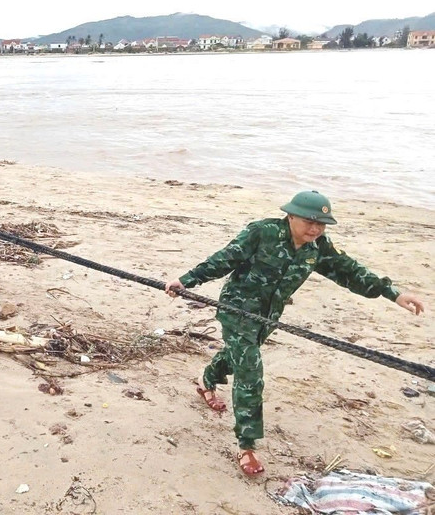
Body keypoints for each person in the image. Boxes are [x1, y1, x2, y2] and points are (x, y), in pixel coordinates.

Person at [164, 190, 427, 477]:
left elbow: (350, 271)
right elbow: (224, 259)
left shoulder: (318, 247)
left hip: (269, 316)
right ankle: (247, 446)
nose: (315, 229)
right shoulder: (262, 232)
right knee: (250, 370)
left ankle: (206, 381)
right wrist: (186, 281)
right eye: (309, 222)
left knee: (237, 357)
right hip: (237, 310)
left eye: (321, 224)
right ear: (290, 216)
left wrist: (393, 294)